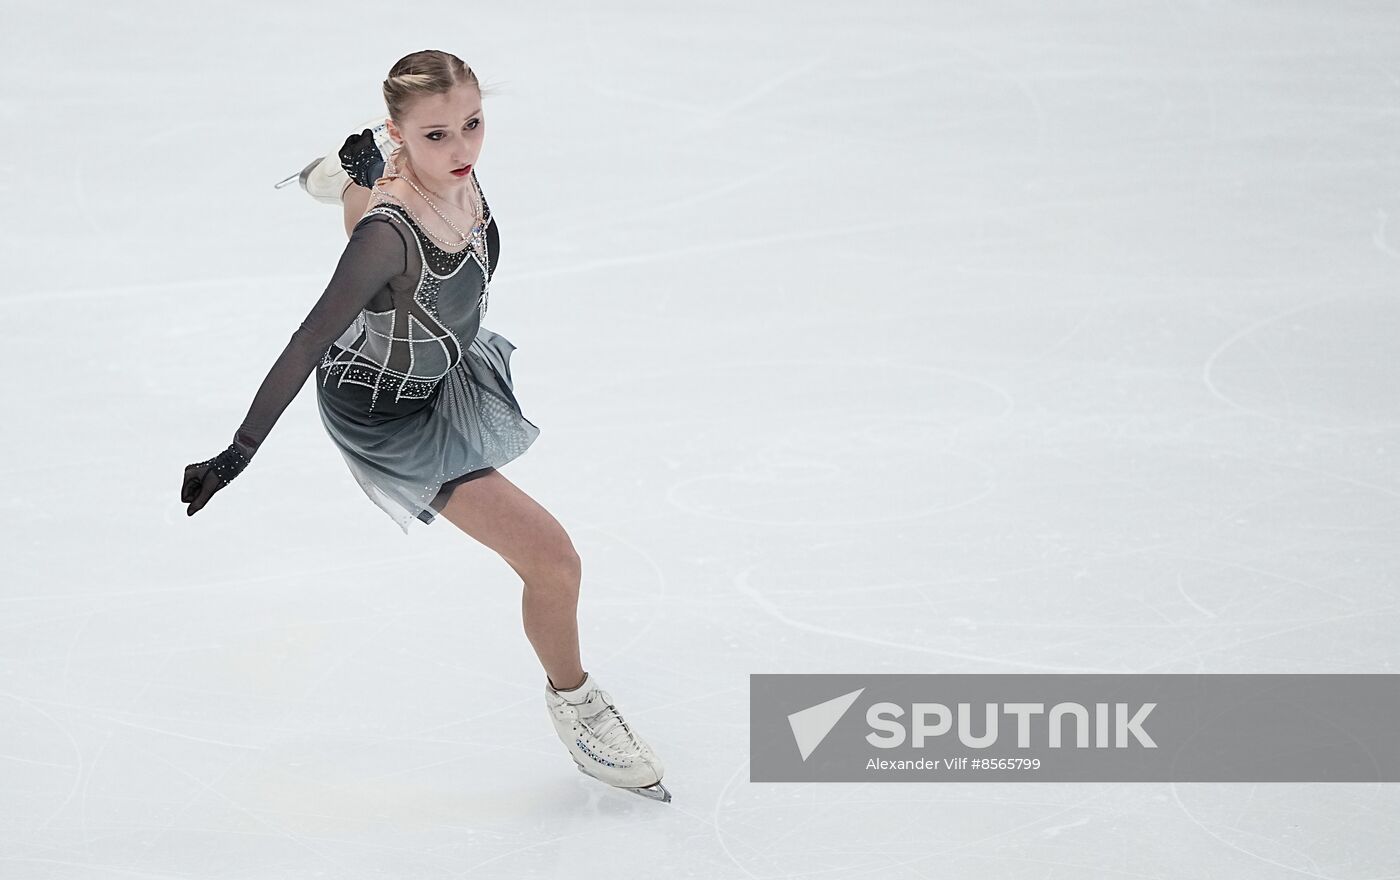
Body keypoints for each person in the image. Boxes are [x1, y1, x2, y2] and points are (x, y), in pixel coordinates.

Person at [180, 49, 670, 803]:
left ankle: (339, 177)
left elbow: (440, 217)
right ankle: (577, 706)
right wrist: (237, 452)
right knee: (554, 561)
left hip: (434, 352)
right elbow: (309, 340)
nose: (464, 150)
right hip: (383, 408)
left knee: (384, 217)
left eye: (473, 125)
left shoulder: (453, 178)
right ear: (399, 131)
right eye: (437, 135)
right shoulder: (386, 234)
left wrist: (408, 168)